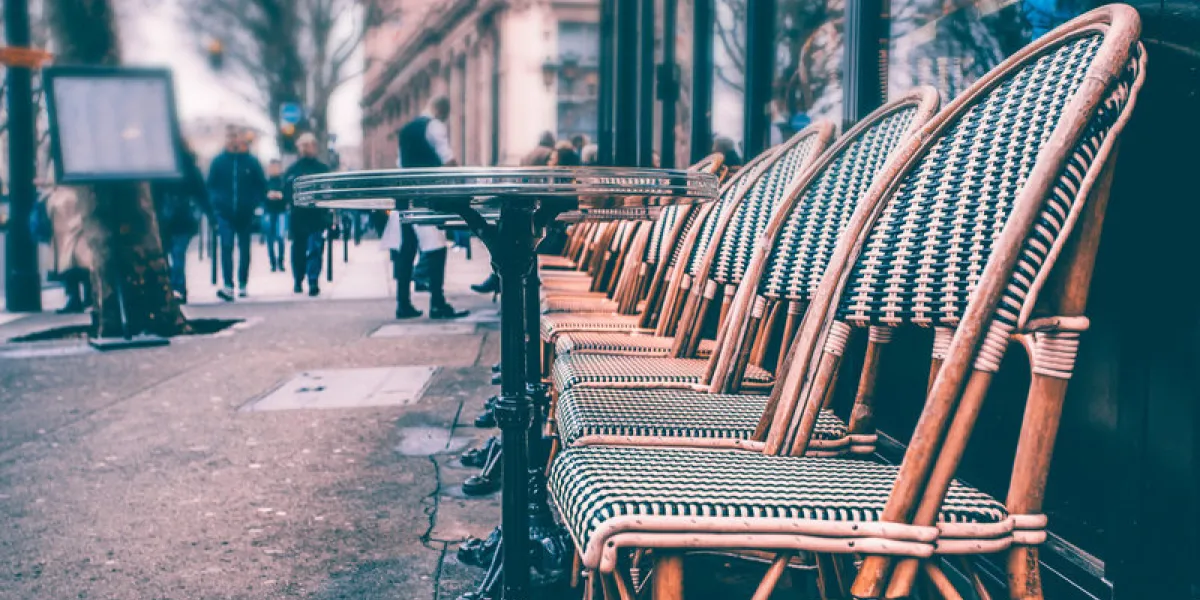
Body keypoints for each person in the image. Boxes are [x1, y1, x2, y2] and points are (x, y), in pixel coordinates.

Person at [392, 95, 468, 319]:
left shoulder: (406, 130)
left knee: (407, 250)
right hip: (427, 196)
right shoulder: (434, 126)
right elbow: (447, 158)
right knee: (437, 247)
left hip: (405, 195)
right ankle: (437, 303)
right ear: (442, 111)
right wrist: (462, 180)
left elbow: (399, 164)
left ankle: (403, 304)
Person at [206, 125, 267, 301]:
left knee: (244, 248)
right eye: (229, 137)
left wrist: (254, 203)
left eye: (235, 137)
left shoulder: (251, 161)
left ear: (241, 139)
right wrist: (215, 203)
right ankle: (228, 284)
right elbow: (211, 184)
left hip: (245, 212)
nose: (233, 140)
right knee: (226, 246)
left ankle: (242, 282)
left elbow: (260, 184)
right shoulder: (218, 161)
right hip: (224, 211)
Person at [152, 141, 209, 304]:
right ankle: (178, 288)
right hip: (183, 216)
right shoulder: (189, 167)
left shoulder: (160, 167)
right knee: (178, 254)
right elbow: (200, 192)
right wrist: (209, 213)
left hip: (164, 216)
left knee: (168, 253)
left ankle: (173, 286)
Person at [284, 133, 332, 296]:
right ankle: (298, 279)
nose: (306, 148)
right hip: (298, 216)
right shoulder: (293, 170)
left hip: (316, 215)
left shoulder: (322, 169)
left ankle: (313, 281)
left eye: (309, 145)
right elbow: (287, 191)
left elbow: (328, 192)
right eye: (303, 145)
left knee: (315, 248)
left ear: (315, 147)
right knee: (298, 249)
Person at [44, 186, 93, 313]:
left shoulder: (59, 194)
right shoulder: (79, 191)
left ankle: (76, 298)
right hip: (77, 226)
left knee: (70, 266)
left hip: (65, 229)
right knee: (85, 264)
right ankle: (88, 297)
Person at [264, 159, 287, 272]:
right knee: (270, 238)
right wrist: (268, 196)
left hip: (281, 211)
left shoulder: (283, 182)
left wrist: (280, 196)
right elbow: (261, 195)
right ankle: (272, 263)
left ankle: (280, 262)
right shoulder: (266, 182)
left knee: (280, 237)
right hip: (269, 211)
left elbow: (287, 195)